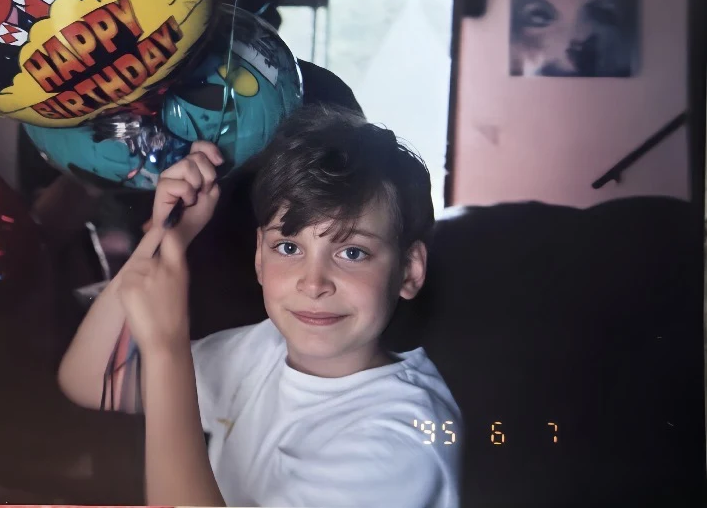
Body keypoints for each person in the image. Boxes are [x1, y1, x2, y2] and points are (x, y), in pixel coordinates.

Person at [58, 104, 462, 507]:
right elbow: (88, 381)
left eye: (352, 253)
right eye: (288, 247)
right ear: (259, 257)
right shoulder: (262, 349)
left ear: (409, 270)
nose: (313, 283)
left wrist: (167, 349)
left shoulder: (407, 438)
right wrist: (166, 236)